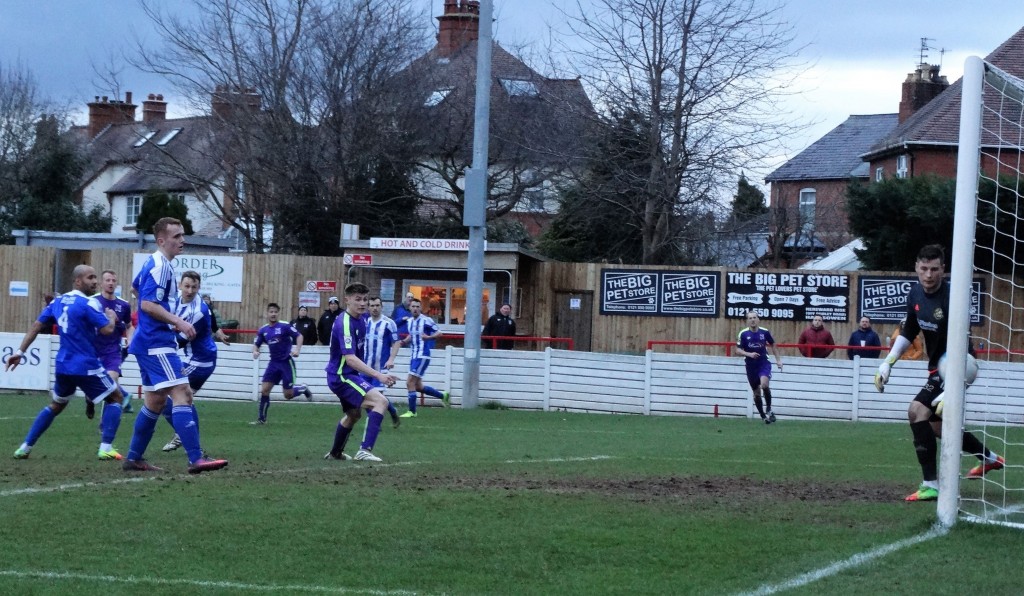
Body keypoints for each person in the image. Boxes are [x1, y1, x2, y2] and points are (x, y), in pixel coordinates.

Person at [874, 244, 1004, 502]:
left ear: (943, 269)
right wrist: (888, 362)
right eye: (924, 269)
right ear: (916, 268)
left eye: (934, 269)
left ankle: (930, 484)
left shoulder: (953, 296)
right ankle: (991, 459)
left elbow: (960, 341)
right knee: (936, 426)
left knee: (916, 411)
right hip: (937, 368)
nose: (929, 275)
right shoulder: (914, 295)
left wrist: (951, 388)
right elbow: (909, 331)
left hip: (958, 365)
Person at [123, 217, 228, 473]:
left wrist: (160, 319)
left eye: (182, 235)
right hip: (157, 343)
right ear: (162, 240)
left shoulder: (156, 263)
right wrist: (176, 321)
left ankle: (134, 458)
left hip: (150, 342)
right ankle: (196, 459)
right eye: (177, 236)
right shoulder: (161, 267)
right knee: (183, 392)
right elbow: (147, 303)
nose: (183, 240)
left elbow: (136, 288)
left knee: (155, 402)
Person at [7, 265, 125, 460]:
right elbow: (106, 330)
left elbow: (37, 325)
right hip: (86, 364)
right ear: (78, 281)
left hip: (63, 365)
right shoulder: (89, 304)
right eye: (90, 278)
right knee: (116, 397)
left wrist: (20, 352)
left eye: (95, 277)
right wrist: (111, 318)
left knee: (57, 404)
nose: (95, 281)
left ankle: (25, 447)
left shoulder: (57, 301)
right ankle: (106, 447)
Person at [323, 283, 400, 462]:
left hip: (347, 375)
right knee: (381, 401)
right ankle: (364, 450)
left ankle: (335, 453)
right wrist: (378, 375)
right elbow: (350, 359)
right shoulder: (345, 323)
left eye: (365, 299)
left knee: (354, 415)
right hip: (342, 376)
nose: (362, 303)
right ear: (347, 300)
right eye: (357, 299)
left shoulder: (362, 319)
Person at [162, 270, 230, 452]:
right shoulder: (176, 299)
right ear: (179, 285)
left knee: (164, 394)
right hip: (192, 357)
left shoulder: (198, 312)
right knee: (183, 398)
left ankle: (186, 436)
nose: (190, 290)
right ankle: (186, 435)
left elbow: (178, 341)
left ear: (199, 288)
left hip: (201, 361)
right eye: (187, 286)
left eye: (194, 287)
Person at [251, 302, 312, 424]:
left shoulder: (284, 326)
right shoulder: (263, 330)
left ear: (278, 313)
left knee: (287, 395)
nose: (273, 314)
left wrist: (297, 349)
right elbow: (256, 345)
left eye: (275, 312)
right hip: (273, 364)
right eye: (271, 312)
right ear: (267, 313)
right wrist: (255, 352)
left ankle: (303, 388)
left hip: (286, 363)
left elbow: (299, 336)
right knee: (264, 390)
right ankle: (261, 419)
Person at [89, 269, 135, 417]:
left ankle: (105, 425)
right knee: (93, 391)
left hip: (112, 351)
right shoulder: (92, 302)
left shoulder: (123, 305)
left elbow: (129, 326)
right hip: (93, 351)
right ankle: (90, 401)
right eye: (107, 280)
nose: (110, 283)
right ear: (102, 283)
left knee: (110, 381)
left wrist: (130, 339)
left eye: (113, 280)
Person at [397, 298, 450, 418]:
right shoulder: (410, 321)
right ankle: (443, 396)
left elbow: (439, 333)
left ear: (421, 308)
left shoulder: (426, 320)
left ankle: (412, 411)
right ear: (409, 308)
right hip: (414, 355)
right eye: (413, 306)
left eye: (417, 306)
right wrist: (403, 342)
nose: (415, 309)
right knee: (418, 386)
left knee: (409, 382)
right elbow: (412, 335)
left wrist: (428, 337)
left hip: (422, 355)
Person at [735, 310, 784, 424]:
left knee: (764, 385)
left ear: (758, 319)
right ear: (747, 321)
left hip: (763, 363)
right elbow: (737, 350)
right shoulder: (743, 334)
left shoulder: (764, 332)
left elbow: (773, 345)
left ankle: (769, 408)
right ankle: (763, 415)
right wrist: (749, 354)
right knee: (756, 393)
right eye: (750, 318)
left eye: (754, 317)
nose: (752, 320)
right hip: (751, 366)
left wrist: (778, 360)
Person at [363, 297, 402, 428]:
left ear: (381, 306)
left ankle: (375, 423)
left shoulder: (388, 323)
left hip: (381, 367)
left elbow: (397, 342)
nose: (375, 308)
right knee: (364, 395)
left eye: (377, 305)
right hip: (365, 367)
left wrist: (391, 359)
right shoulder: (364, 322)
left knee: (377, 395)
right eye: (372, 305)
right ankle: (392, 411)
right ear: (368, 307)